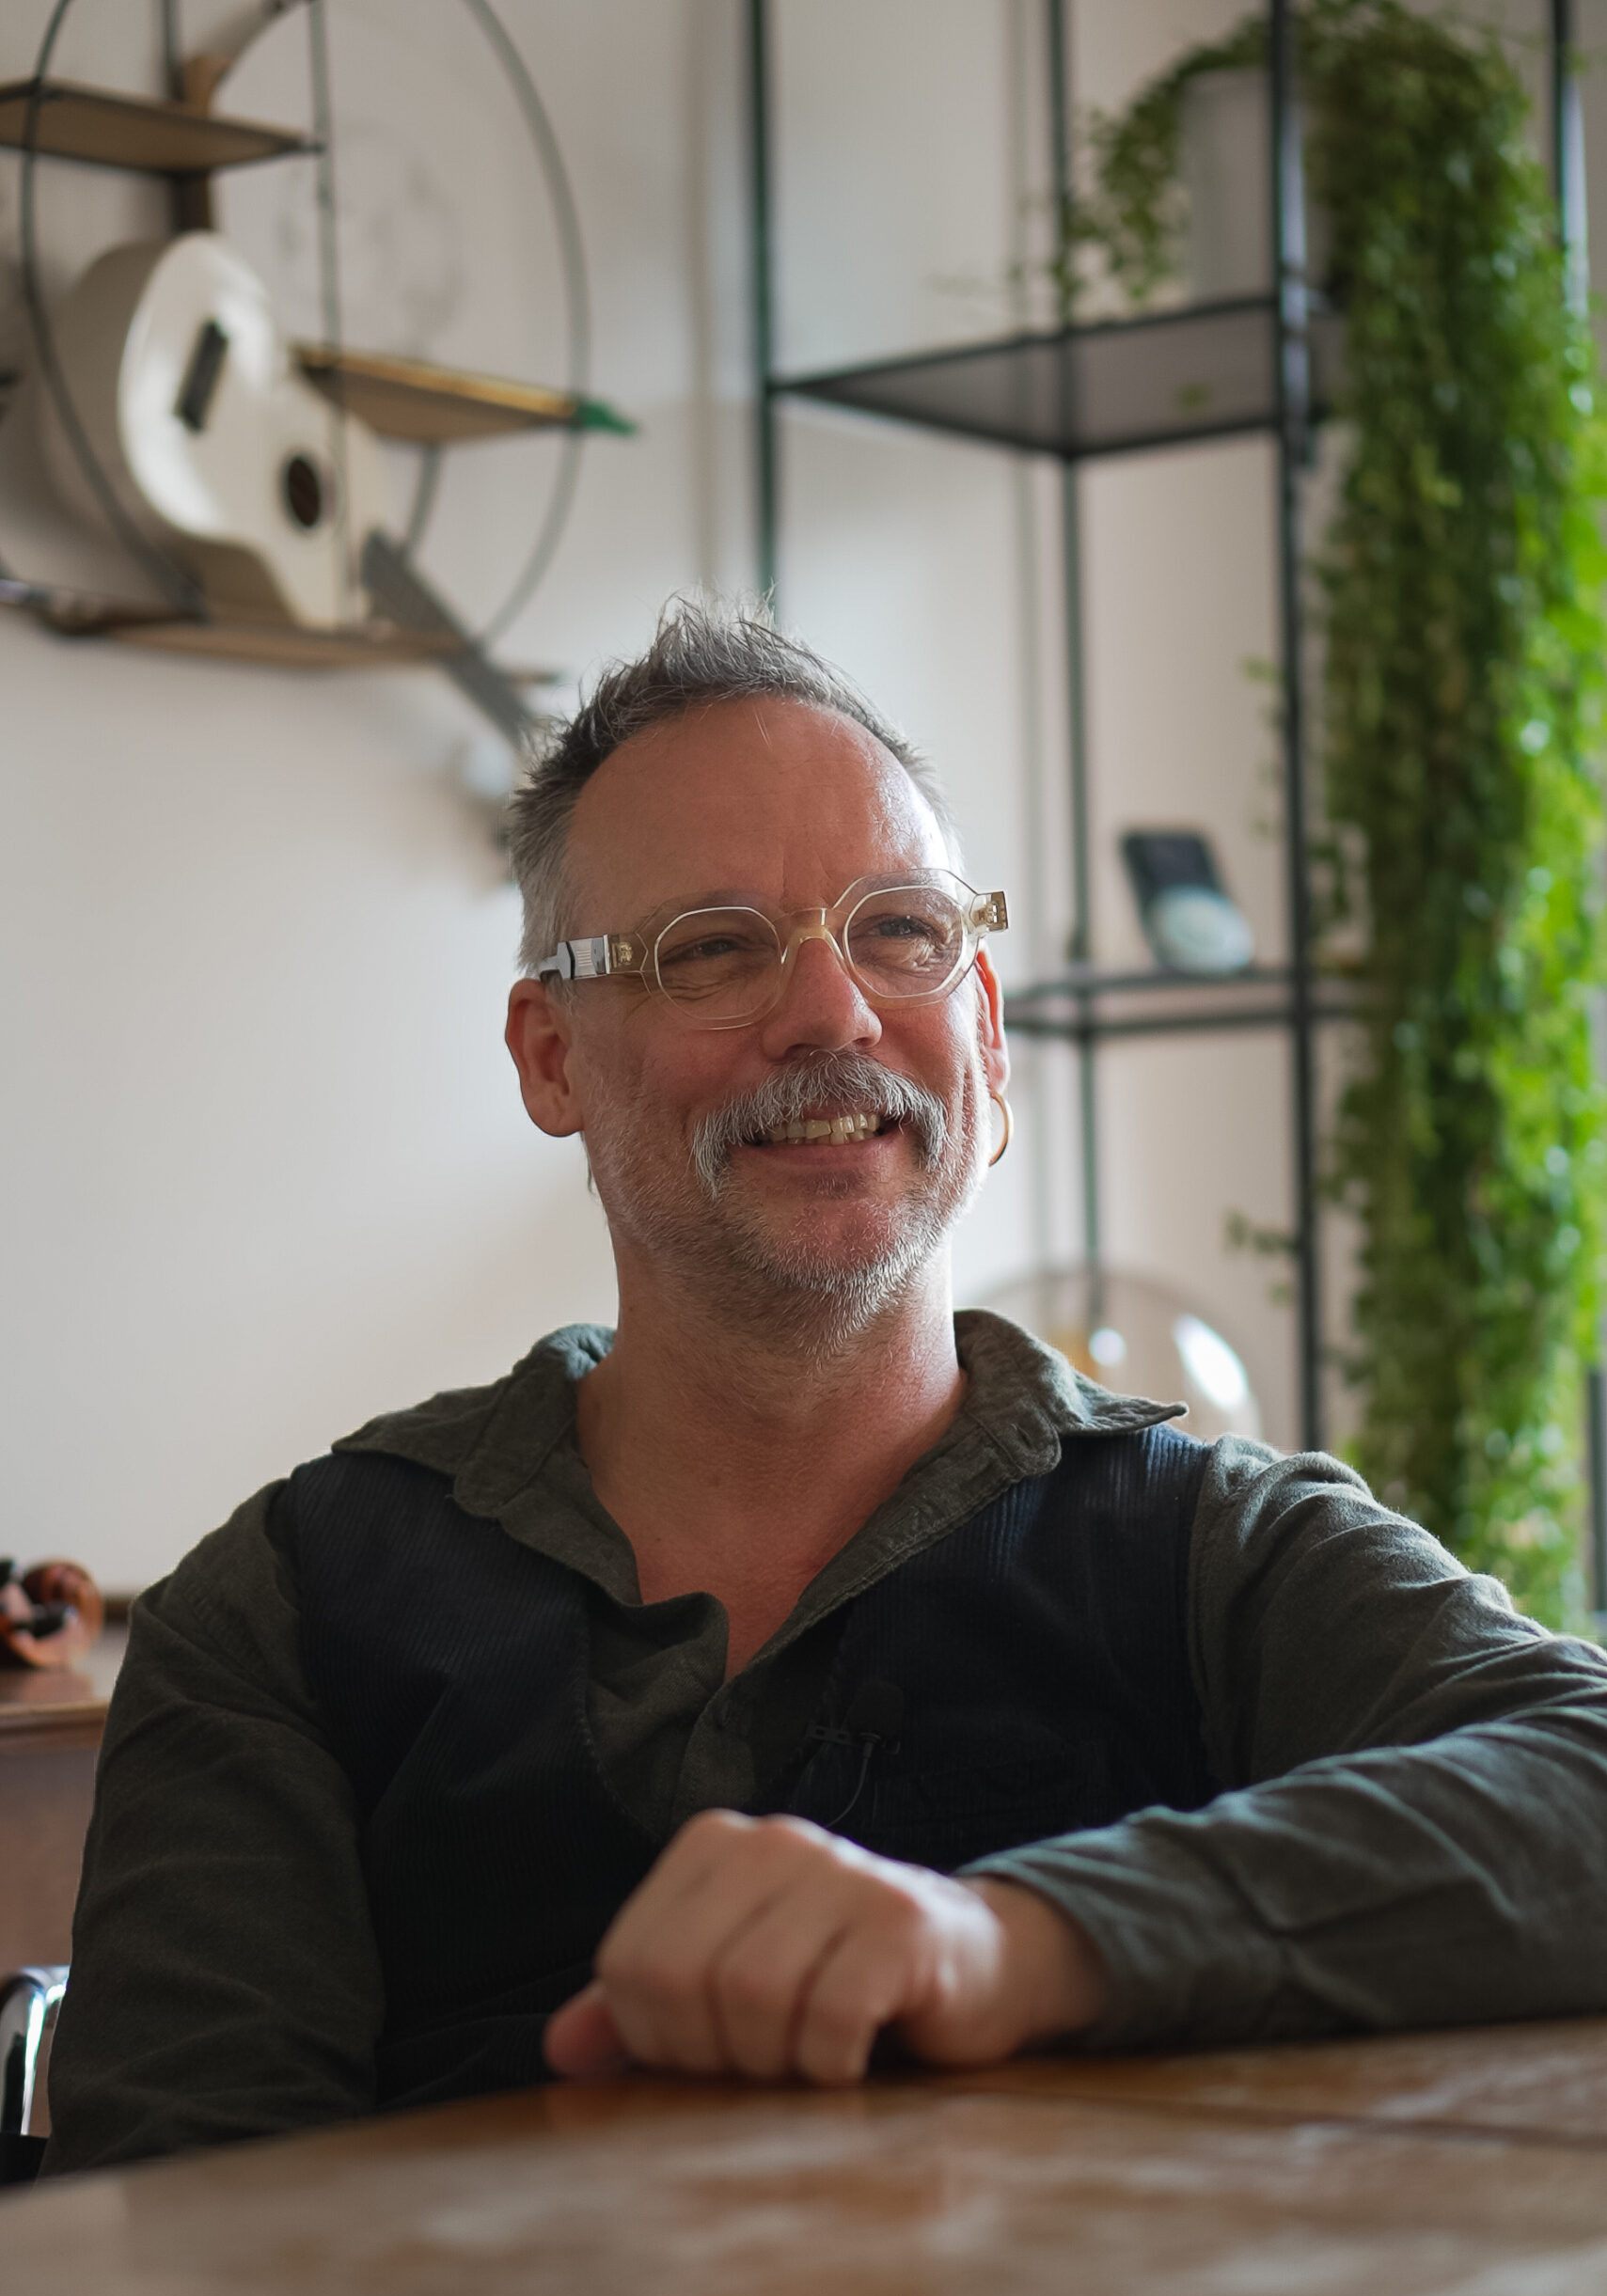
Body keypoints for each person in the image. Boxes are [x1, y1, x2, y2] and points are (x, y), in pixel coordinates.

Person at [46, 599, 1607, 2171]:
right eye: (711, 949)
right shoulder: (282, 1611)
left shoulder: (1213, 1552)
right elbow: (182, 2241)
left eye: (902, 931)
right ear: (550, 1058)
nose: (832, 1013)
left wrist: (1021, 1943)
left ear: (982, 1031)